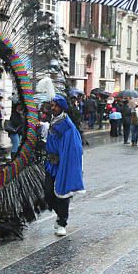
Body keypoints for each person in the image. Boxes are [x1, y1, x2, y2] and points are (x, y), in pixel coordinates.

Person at [44, 95, 84, 236]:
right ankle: (60, 215)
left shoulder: (67, 125)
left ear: (61, 107)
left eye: (55, 105)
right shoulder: (53, 120)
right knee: (48, 192)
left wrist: (63, 160)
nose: (52, 107)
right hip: (50, 164)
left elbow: (74, 146)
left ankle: (62, 222)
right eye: (52, 105)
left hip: (62, 164)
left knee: (63, 194)